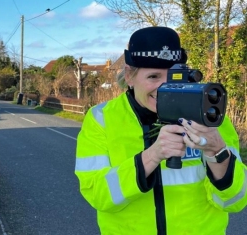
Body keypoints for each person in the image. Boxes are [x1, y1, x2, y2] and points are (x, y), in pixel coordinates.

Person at [75, 26, 247, 235]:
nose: (165, 87)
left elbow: (235, 202)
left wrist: (217, 152)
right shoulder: (102, 118)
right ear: (130, 76)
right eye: (154, 77)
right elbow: (97, 195)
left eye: (174, 76)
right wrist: (152, 156)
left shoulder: (210, 118)